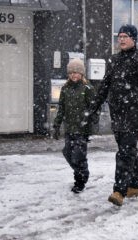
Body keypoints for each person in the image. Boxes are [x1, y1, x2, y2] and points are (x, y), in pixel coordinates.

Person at [88, 24, 138, 206]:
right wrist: (93, 108)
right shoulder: (113, 60)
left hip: (135, 113)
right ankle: (135, 185)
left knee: (124, 152)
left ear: (133, 39)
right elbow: (105, 86)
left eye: (125, 36)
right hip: (117, 112)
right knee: (127, 149)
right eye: (119, 36)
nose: (121, 39)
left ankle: (119, 191)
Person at [53, 58, 96, 193]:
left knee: (78, 155)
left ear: (82, 74)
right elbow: (61, 109)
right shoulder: (65, 89)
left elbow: (94, 109)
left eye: (76, 72)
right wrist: (56, 126)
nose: (73, 75)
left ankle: (80, 180)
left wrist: (89, 124)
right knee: (67, 153)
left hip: (82, 129)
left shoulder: (87, 88)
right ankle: (82, 171)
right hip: (69, 128)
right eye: (71, 72)